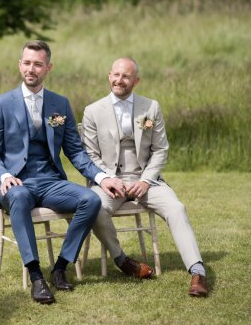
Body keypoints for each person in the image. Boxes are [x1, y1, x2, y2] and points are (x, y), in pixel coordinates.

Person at [0, 40, 122, 304]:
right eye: (26, 63)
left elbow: (76, 152)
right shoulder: (1, 104)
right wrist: (3, 176)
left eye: (37, 64)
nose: (30, 69)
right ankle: (36, 277)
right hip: (16, 184)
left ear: (48, 67)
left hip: (51, 181)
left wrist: (102, 178)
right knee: (20, 197)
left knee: (90, 200)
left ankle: (60, 267)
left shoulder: (60, 103)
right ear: (19, 65)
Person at [81, 57, 208, 297]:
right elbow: (90, 155)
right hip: (109, 182)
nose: (120, 80)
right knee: (95, 208)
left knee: (177, 208)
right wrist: (108, 179)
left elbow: (160, 150)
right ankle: (123, 261)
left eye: (126, 76)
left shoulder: (151, 107)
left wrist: (146, 180)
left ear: (136, 81)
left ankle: (197, 271)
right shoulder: (92, 111)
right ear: (109, 76)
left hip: (145, 180)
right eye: (116, 75)